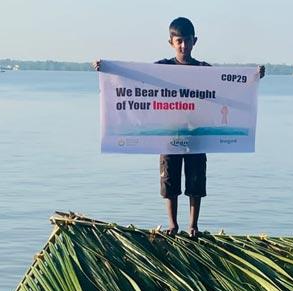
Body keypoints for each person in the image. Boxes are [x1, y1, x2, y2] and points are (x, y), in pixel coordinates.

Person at [96, 17, 265, 237]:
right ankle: (172, 224)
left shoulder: (203, 69)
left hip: (197, 135)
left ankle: (193, 225)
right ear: (171, 42)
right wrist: (107, 69)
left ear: (195, 41)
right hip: (168, 135)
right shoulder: (163, 68)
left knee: (196, 180)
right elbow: (135, 77)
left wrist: (253, 76)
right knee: (169, 181)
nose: (183, 46)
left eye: (187, 41)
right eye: (179, 41)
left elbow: (228, 85)